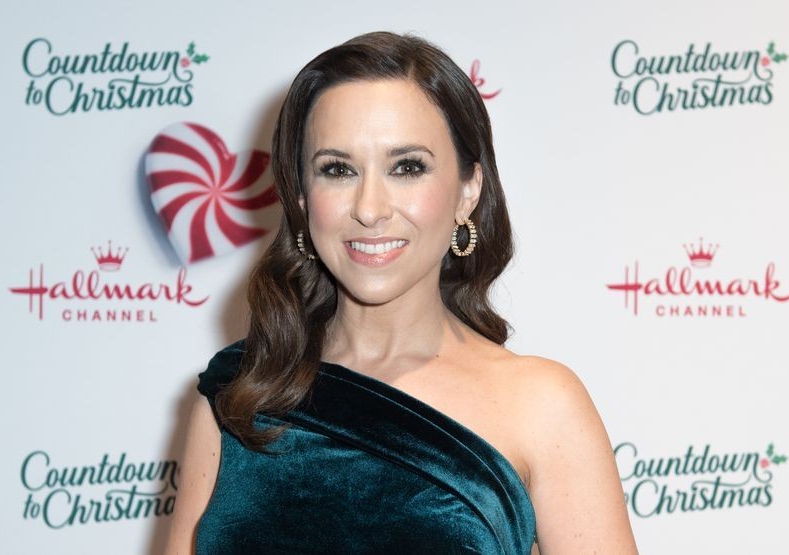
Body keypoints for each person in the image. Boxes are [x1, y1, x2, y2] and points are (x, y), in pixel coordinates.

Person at [165, 31, 637, 554]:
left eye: (407, 167)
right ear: (301, 197)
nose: (370, 209)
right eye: (337, 170)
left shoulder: (542, 405)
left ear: (468, 190)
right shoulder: (238, 393)